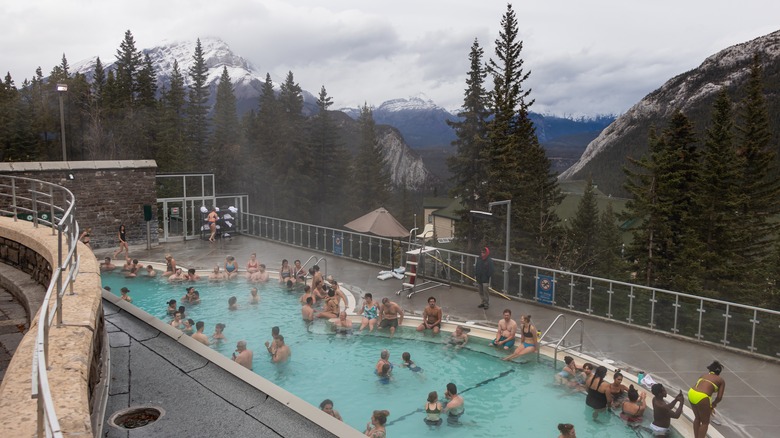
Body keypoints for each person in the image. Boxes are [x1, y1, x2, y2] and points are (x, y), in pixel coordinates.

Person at [688, 360, 726, 438]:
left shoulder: (703, 376)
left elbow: (698, 387)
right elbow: (719, 397)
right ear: (719, 373)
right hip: (702, 397)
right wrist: (713, 404)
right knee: (705, 423)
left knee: (697, 418)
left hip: (691, 393)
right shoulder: (721, 380)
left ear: (709, 370)